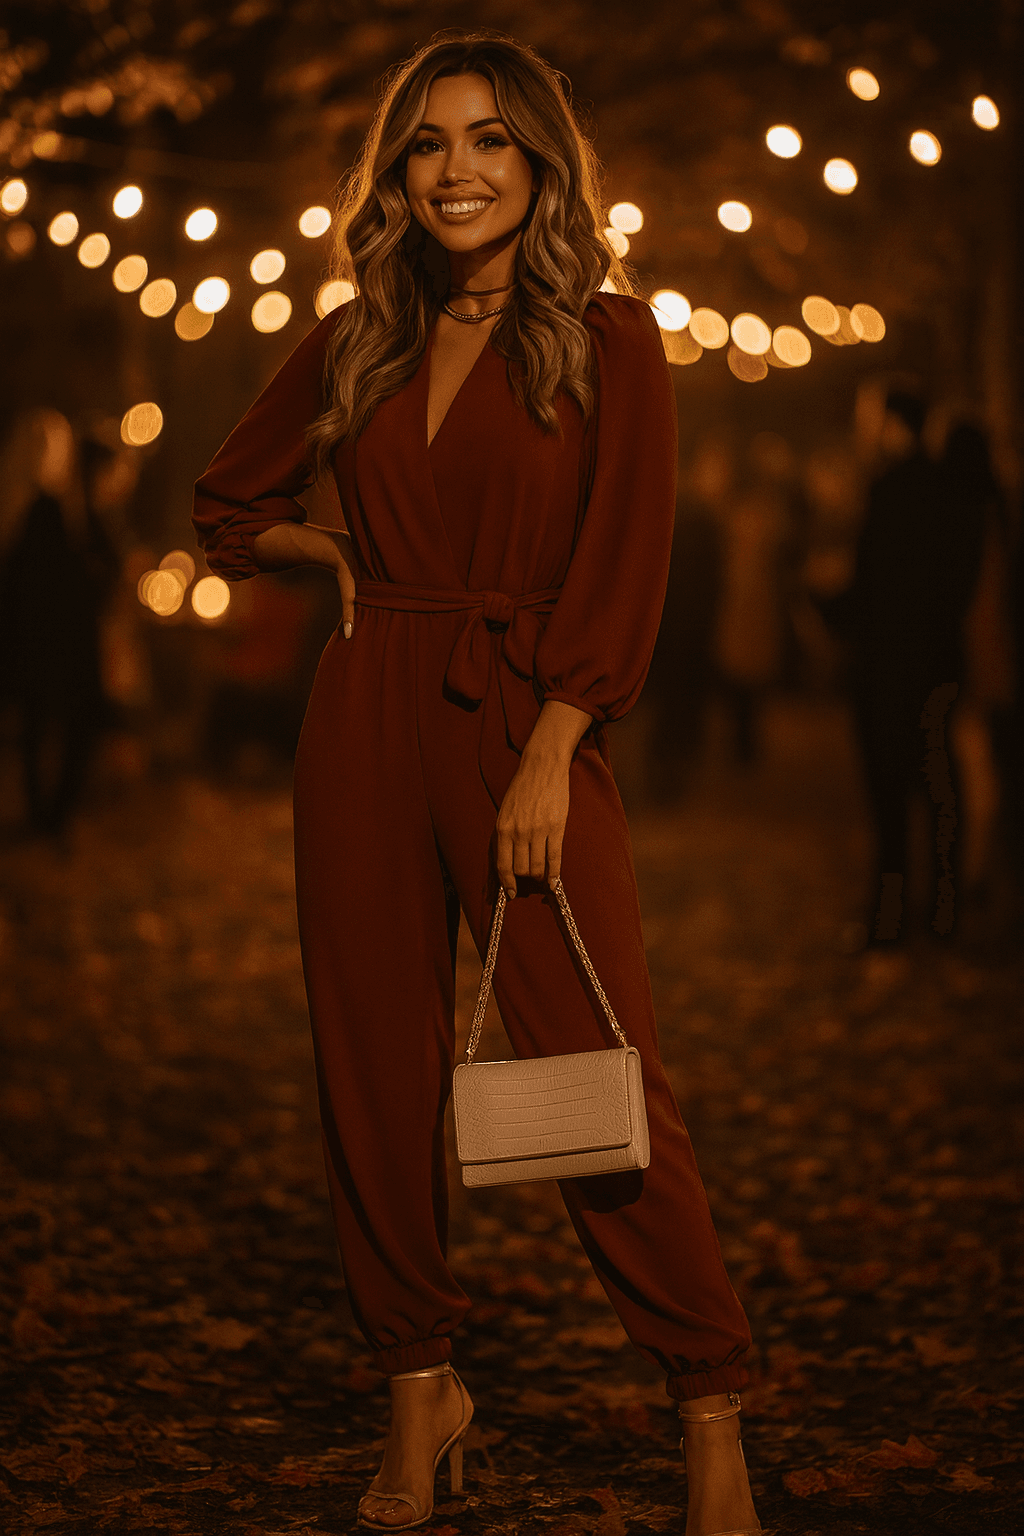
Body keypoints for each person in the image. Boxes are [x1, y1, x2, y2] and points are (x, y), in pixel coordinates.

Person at [193, 34, 760, 1536]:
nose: (456, 168)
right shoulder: (357, 333)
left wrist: (559, 743)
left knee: (601, 1071)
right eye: (430, 142)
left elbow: (628, 559)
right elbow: (228, 504)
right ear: (398, 172)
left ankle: (711, 1414)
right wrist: (331, 560)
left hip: (526, 713)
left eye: (492, 141)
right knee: (373, 1074)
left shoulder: (612, 338)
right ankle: (419, 1392)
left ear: (542, 166)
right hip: (367, 712)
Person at [829, 390, 985, 943]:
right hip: (939, 667)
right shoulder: (951, 493)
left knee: (889, 798)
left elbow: (867, 588)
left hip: (888, 669)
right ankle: (943, 913)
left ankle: (888, 916)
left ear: (894, 424)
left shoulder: (890, 491)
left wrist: (827, 607)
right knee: (940, 793)